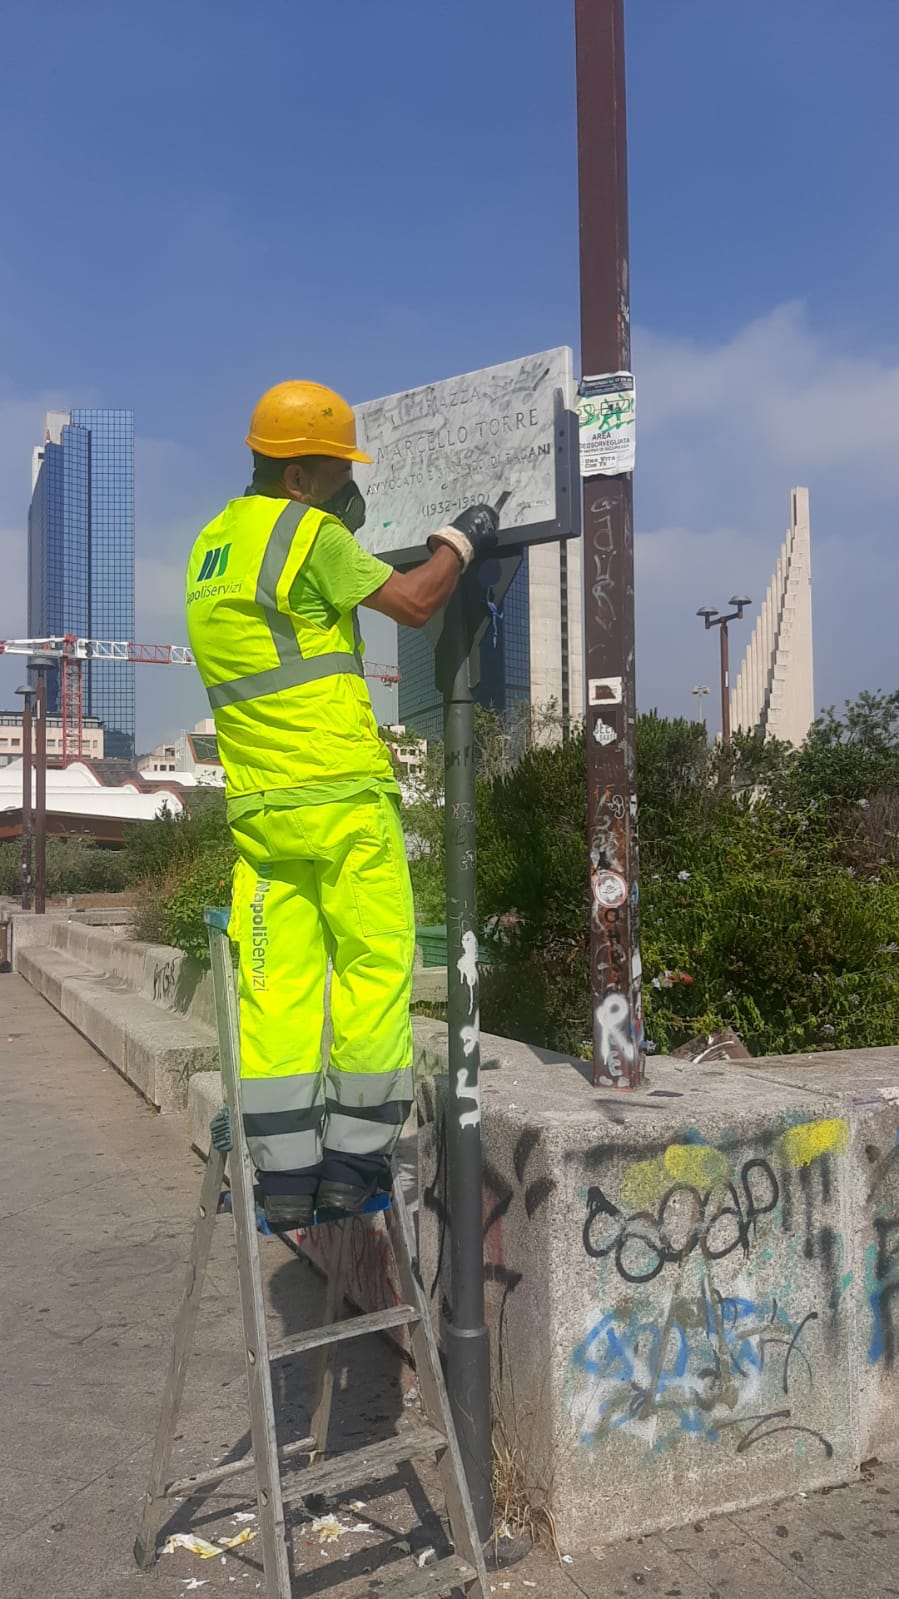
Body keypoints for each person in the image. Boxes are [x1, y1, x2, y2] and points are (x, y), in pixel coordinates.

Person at [185, 380, 498, 1228]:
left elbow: (283, 622)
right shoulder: (310, 533)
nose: (341, 483)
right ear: (300, 475)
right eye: (334, 469)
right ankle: (355, 1161)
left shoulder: (213, 544)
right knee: (371, 966)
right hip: (341, 794)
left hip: (259, 809)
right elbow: (415, 599)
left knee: (277, 985)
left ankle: (283, 1178)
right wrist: (458, 542)